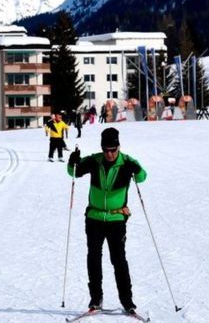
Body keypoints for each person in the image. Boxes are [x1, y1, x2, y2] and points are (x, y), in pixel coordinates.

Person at [66, 127, 147, 314]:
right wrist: (72, 162)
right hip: (94, 217)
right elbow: (74, 172)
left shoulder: (127, 162)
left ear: (118, 146)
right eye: (106, 150)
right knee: (93, 258)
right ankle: (96, 299)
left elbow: (142, 177)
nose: (109, 154)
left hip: (116, 218)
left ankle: (127, 301)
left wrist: (137, 169)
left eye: (113, 150)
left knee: (118, 259)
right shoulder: (95, 160)